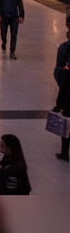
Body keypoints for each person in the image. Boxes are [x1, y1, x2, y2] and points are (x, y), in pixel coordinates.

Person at [54, 23, 70, 162]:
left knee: (66, 124)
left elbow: (59, 72)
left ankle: (65, 153)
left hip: (68, 96)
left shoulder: (64, 48)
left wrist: (58, 104)